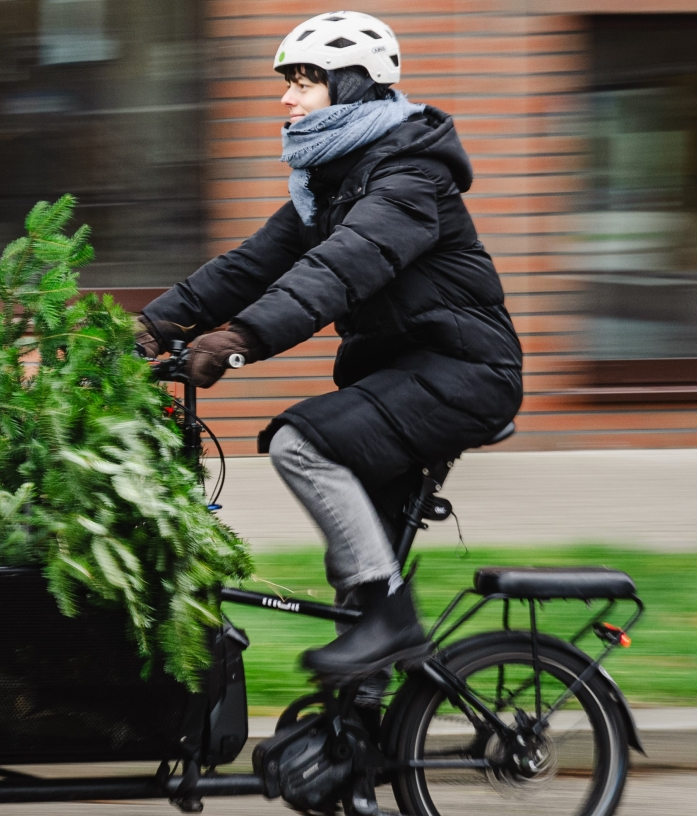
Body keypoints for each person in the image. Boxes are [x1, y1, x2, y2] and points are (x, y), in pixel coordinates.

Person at [136, 11, 523, 703]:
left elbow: (341, 268)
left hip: (462, 374)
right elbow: (247, 266)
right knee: (353, 561)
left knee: (299, 443)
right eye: (287, 81)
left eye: (305, 81)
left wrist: (239, 340)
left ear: (352, 88)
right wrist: (152, 326)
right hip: (402, 377)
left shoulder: (409, 177)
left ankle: (389, 621)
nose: (286, 98)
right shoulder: (329, 184)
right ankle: (353, 741)